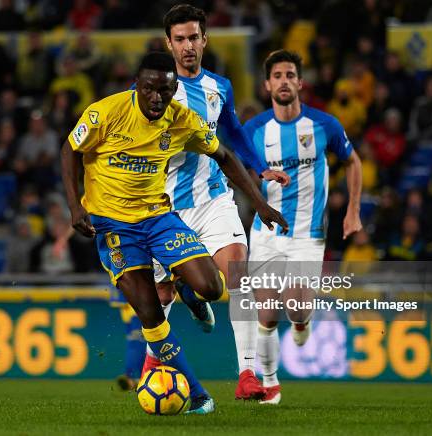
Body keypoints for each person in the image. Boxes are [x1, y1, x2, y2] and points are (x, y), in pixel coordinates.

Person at [60, 52, 288, 414]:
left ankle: (189, 290)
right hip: (114, 227)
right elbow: (71, 150)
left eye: (164, 91)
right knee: (150, 313)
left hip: (158, 217)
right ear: (136, 85)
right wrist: (75, 205)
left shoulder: (182, 120)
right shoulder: (105, 112)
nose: (155, 98)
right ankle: (198, 394)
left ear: (174, 89)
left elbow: (225, 155)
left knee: (213, 287)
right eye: (148, 89)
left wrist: (260, 204)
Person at [138, 4, 290, 401]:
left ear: (205, 39)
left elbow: (234, 134)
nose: (188, 46)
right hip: (163, 205)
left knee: (238, 275)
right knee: (162, 296)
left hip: (213, 198)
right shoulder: (150, 93)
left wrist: (259, 170)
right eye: (180, 39)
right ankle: (155, 363)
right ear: (168, 44)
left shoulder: (218, 87)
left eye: (194, 38)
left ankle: (247, 376)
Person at [243, 49, 362, 404]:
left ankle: (301, 322)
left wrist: (352, 210)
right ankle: (270, 383)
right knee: (265, 313)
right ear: (267, 84)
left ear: (300, 82)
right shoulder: (254, 130)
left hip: (308, 235)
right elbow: (241, 174)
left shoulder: (325, 125)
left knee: (295, 307)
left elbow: (353, 162)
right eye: (277, 75)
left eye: (290, 75)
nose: (284, 81)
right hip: (266, 233)